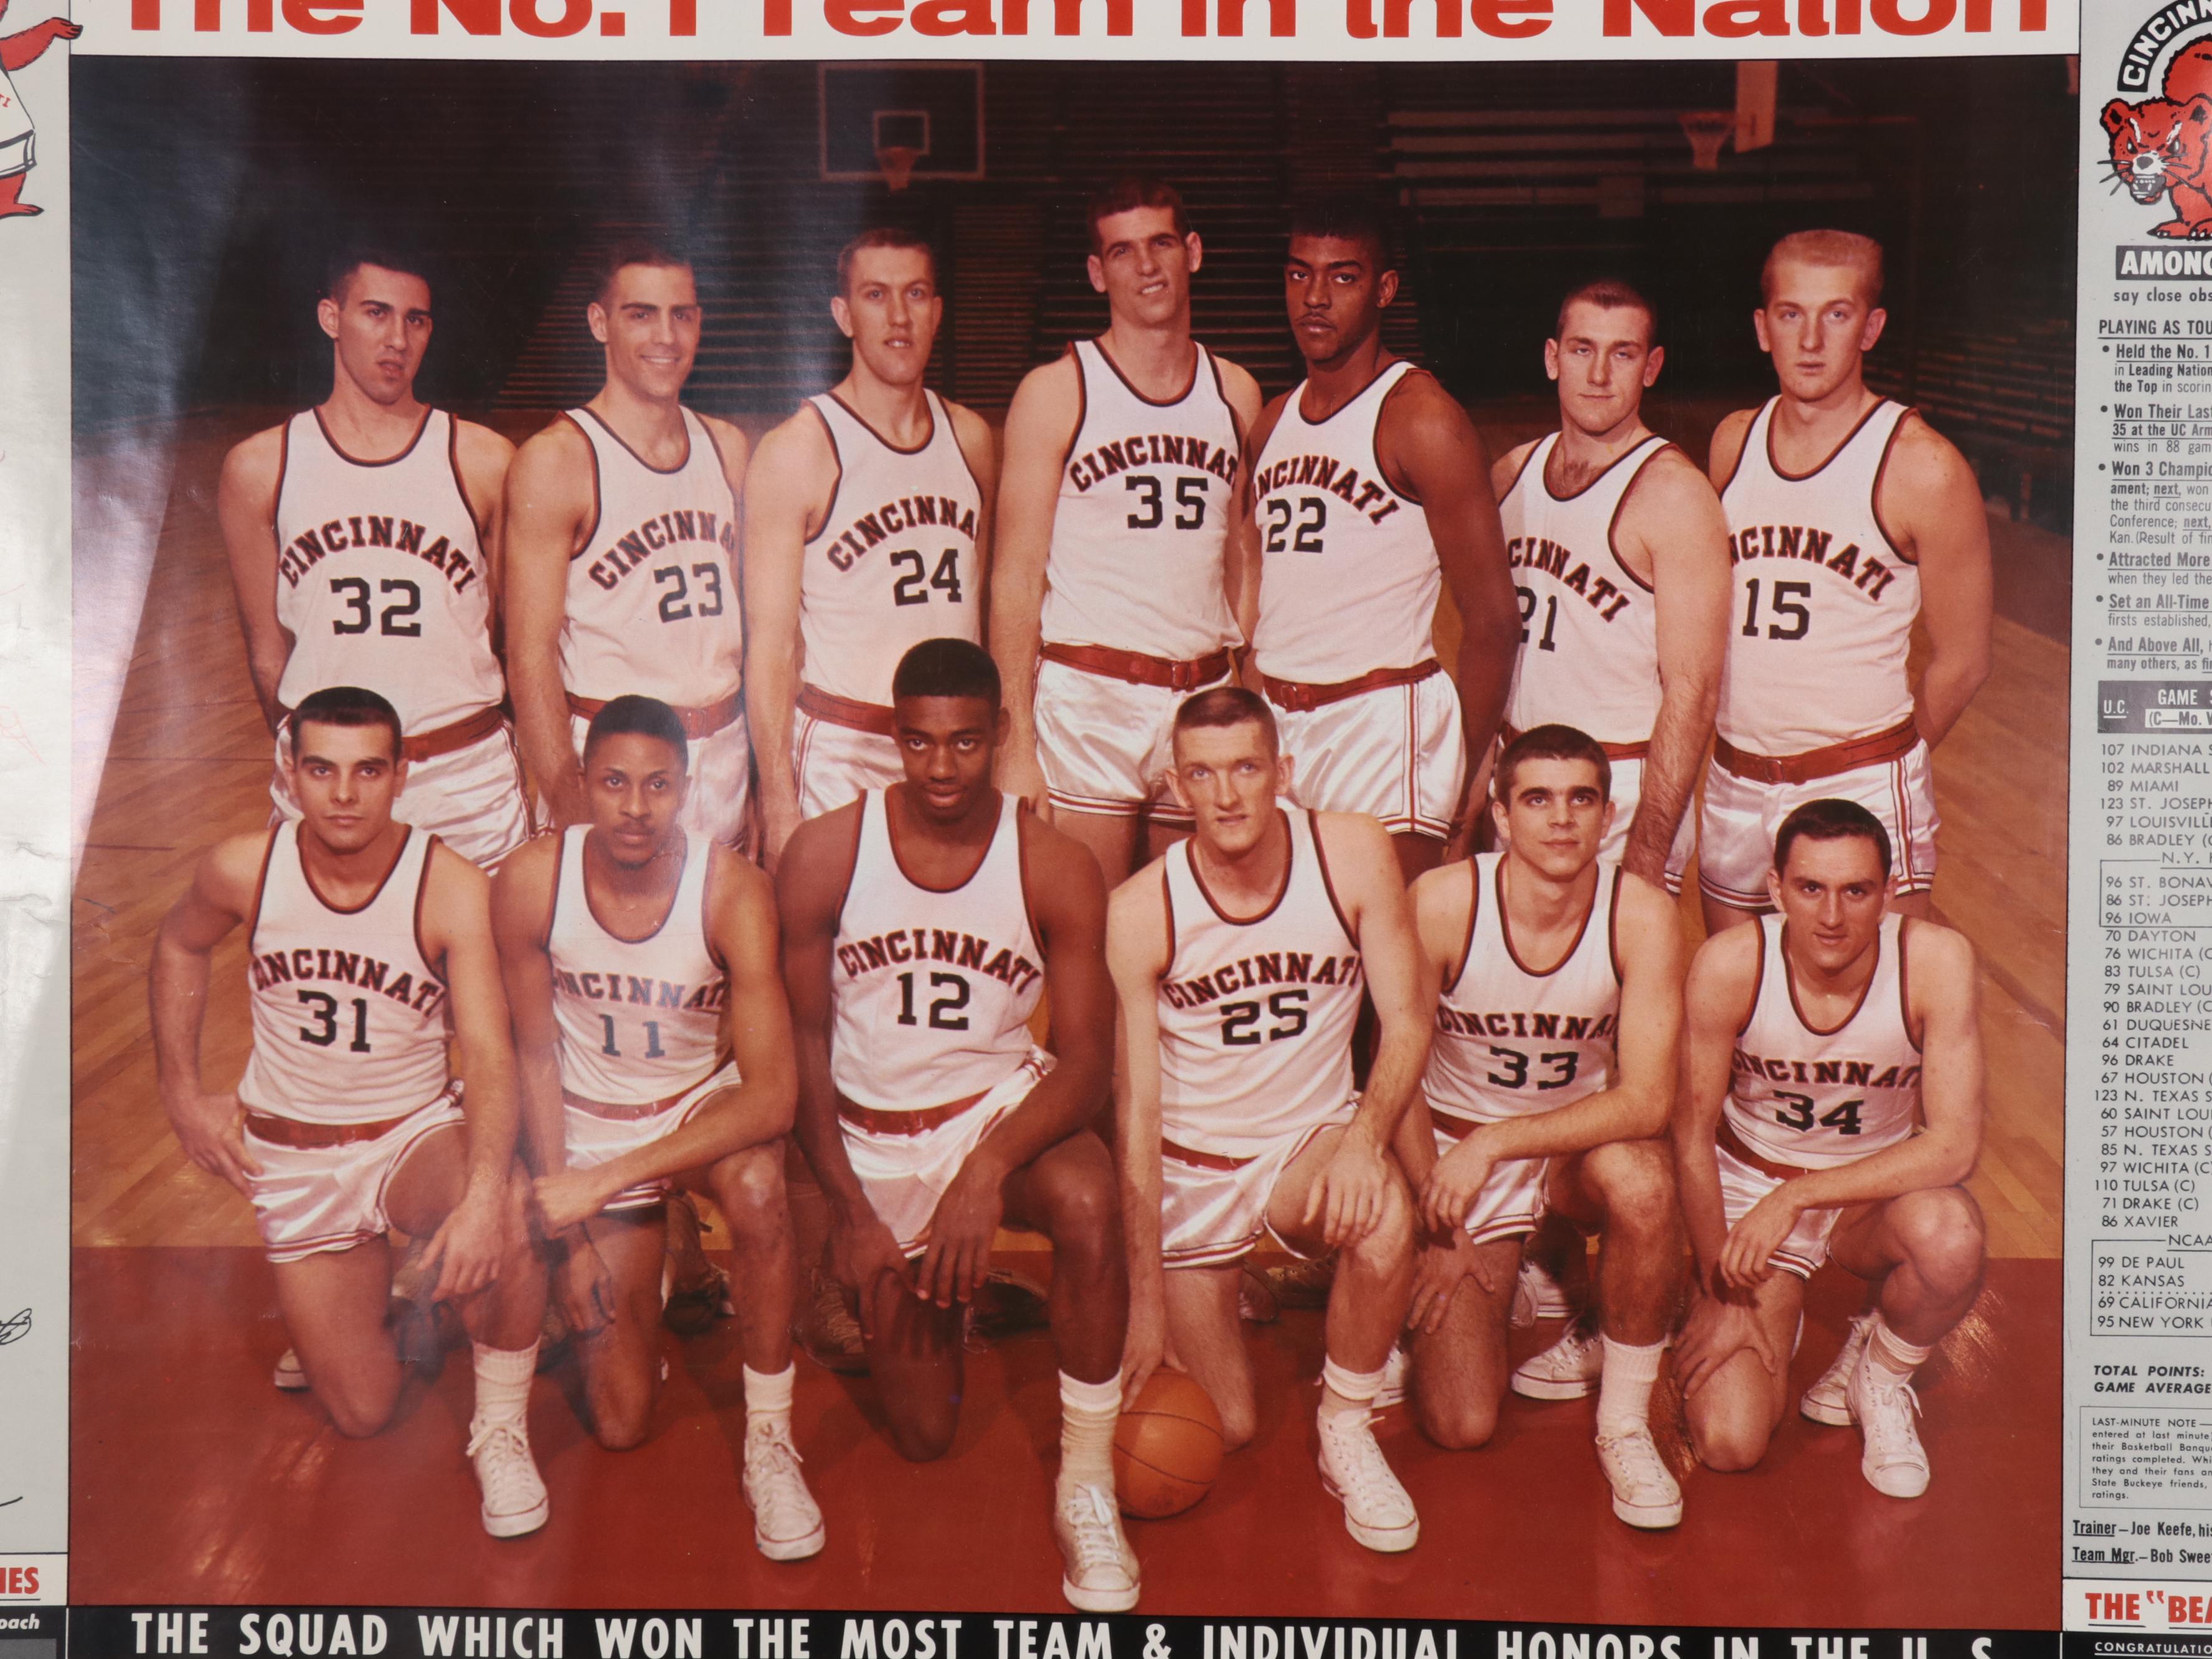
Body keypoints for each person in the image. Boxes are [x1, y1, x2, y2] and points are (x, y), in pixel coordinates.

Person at [777, 638, 1138, 1612]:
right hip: (876, 1141)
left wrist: (985, 1171)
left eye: (967, 744)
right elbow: (800, 1053)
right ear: (896, 735)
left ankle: (1088, 1479)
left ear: (1001, 735)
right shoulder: (827, 851)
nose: (942, 769)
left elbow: (1090, 1064)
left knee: (1089, 1195)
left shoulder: (1054, 864)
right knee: (926, 1438)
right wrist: (849, 1213)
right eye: (921, 743)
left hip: (993, 1116)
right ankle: (935, 1287)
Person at [148, 686, 550, 1538]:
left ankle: (502, 1431)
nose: (343, 794)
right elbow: (179, 944)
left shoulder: (448, 886)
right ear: (290, 774)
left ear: (401, 775)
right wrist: (183, 1095)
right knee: (363, 1411)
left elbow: (486, 1052)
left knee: (507, 1210)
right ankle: (403, 1301)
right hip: (295, 1158)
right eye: (322, 769)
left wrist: (481, 1198)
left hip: (410, 1137)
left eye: (368, 770)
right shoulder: (239, 869)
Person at [491, 695, 823, 1561]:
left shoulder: (734, 891)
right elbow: (533, 1060)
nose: (635, 808)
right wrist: (573, 1240)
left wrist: (605, 1182)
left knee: (756, 1185)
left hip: (692, 1113)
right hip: (592, 1120)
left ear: (689, 786)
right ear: (581, 782)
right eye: (613, 783)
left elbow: (774, 1098)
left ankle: (770, 1440)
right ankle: (645, 1296)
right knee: (620, 1424)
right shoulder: (532, 881)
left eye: (657, 786)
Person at [1110, 686, 1426, 1553]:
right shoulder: (1141, 908)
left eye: (1248, 768)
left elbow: (1408, 1021)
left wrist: (1364, 1141)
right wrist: (1142, 1305)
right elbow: (1134, 1117)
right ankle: (1210, 1293)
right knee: (1227, 1426)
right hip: (1190, 1171)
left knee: (1383, 1212)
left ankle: (1347, 1424)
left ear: (1284, 771)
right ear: (1175, 787)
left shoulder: (1352, 853)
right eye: (1203, 775)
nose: (1227, 795)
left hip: (1305, 1145)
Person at [1395, 724, 1686, 1527]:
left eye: (1580, 799)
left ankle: (1624, 1420)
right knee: (1462, 1423)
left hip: (1560, 1148)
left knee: (1643, 1177)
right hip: (1455, 1154)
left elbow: (1649, 1101)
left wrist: (1502, 1140)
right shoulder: (1446, 901)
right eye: (1537, 799)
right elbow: (1397, 1082)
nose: (1561, 819)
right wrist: (1439, 1219)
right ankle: (1498, 1275)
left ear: (1606, 814)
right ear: (1500, 813)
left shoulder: (1642, 915)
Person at [1675, 798, 1986, 1499]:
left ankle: (1877, 1375)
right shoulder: (1731, 963)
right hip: (1749, 1189)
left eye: (1857, 891)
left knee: (1951, 1235)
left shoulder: (1934, 959)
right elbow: (1689, 1139)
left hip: (1860, 1198)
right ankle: (1715, 1309)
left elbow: (1954, 1147)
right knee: (1730, 1441)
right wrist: (1720, 1286)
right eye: (1811, 889)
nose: (1832, 916)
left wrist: (1801, 1195)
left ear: (1888, 892)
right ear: (1776, 889)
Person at [1699, 229, 1992, 931]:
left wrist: (1886, 767)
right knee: (1745, 1012)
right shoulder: (1733, 442)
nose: (1810, 340)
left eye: (1836, 315)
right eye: (1791, 314)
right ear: (1762, 328)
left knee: (1871, 1024)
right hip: (1735, 779)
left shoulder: (1923, 466)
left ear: (1872, 328)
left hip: (1859, 779)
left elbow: (1965, 661)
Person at [218, 247, 531, 868]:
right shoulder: (260, 468)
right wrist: (310, 754)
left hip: (465, 781)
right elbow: (266, 654)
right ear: (331, 317)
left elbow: (516, 640)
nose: (397, 339)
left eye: (415, 320)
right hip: (331, 786)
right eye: (376, 313)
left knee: (486, 966)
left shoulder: (484, 461)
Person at [991, 176, 1265, 881]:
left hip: (1202, 698)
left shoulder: (1235, 391)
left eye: (1162, 244)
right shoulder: (1056, 391)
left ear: (1193, 251)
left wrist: (1249, 686)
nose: (1146, 266)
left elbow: (1240, 557)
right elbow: (1016, 579)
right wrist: (1015, 744)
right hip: (1093, 699)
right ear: (1096, 271)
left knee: (1194, 933)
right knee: (1091, 933)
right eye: (1122, 252)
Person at [1244, 195, 1520, 884]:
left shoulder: (1421, 419)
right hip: (1281, 725)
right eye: (1299, 274)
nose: (1315, 297)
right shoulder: (1271, 423)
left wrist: (1460, 776)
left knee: (1386, 972)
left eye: (1343, 277)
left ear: (1385, 289)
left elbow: (1492, 622)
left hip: (1379, 727)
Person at [745, 227, 996, 866]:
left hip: (951, 750)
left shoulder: (969, 438)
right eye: (876, 295)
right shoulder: (798, 449)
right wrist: (776, 799)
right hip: (843, 747)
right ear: (843, 314)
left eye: (915, 294)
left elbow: (986, 611)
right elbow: (771, 649)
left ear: (938, 311)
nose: (899, 316)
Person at [506, 238, 752, 845]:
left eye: (683, 315)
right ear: (599, 323)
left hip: (722, 761)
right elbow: (528, 657)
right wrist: (569, 800)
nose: (666, 336)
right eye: (641, 314)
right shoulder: (559, 459)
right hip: (617, 774)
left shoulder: (727, 448)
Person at [1492, 280, 1730, 891]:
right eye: (1581, 350)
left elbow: (1693, 693)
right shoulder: (1512, 474)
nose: (1599, 374)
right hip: (1523, 781)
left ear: (1651, 368)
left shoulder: (1674, 493)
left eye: (1622, 354)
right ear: (1552, 357)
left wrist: (1647, 859)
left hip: (1620, 790)